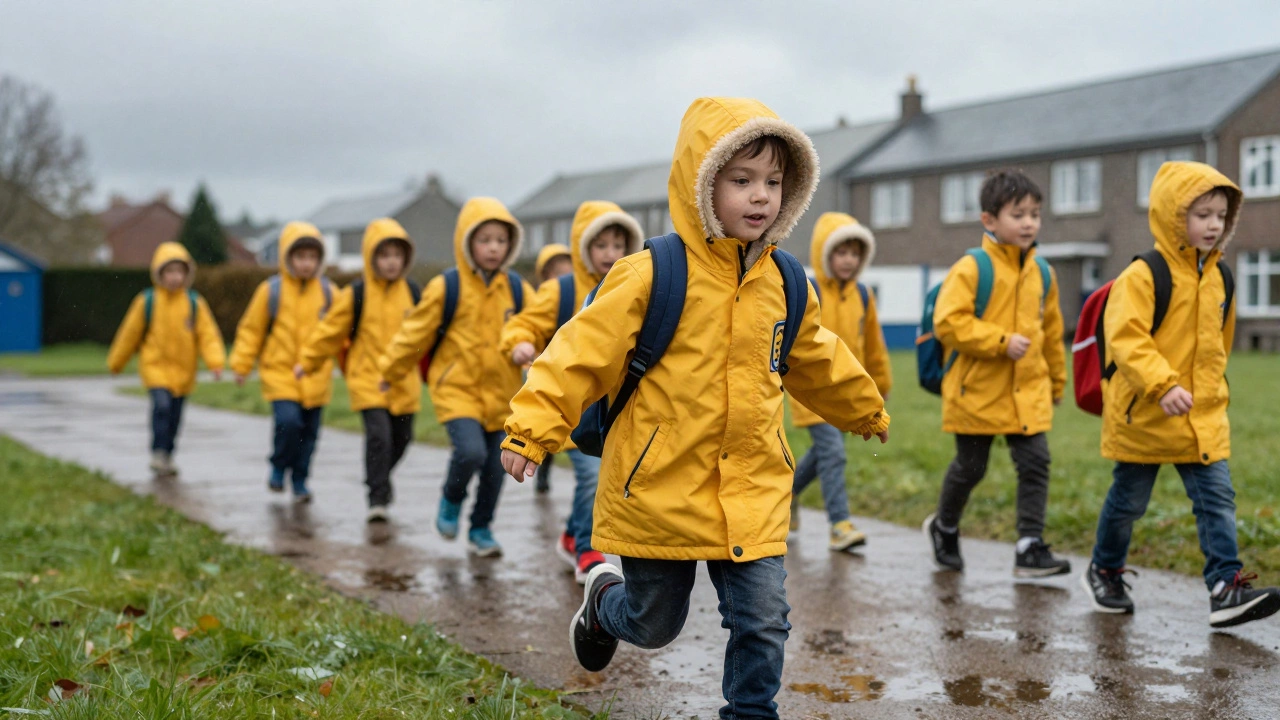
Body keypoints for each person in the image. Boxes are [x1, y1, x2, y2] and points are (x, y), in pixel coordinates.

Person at [500, 97, 889, 718]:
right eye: (741, 180)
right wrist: (531, 429)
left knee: (764, 619)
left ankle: (751, 713)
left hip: (752, 484)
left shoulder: (787, 280)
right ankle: (603, 600)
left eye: (772, 182)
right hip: (662, 486)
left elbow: (815, 355)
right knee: (653, 625)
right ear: (702, 183)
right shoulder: (651, 273)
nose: (760, 196)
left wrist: (863, 406)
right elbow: (578, 352)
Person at [1082, 161, 1280, 628]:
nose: (1213, 224)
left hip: (1201, 416)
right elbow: (1127, 339)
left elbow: (1219, 347)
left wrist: (1208, 394)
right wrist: (1163, 384)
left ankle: (1225, 586)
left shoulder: (1221, 277)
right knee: (1128, 502)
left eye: (1220, 215)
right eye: (1202, 214)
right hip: (1146, 413)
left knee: (1218, 500)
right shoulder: (1143, 275)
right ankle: (1105, 569)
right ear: (1174, 216)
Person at [923, 169, 1071, 579]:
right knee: (971, 467)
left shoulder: (1043, 272)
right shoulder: (973, 268)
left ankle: (1029, 547)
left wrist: (1056, 381)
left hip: (1027, 390)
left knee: (1036, 462)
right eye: (1018, 214)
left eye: (1035, 214)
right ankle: (945, 526)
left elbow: (1052, 333)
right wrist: (1000, 341)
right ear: (989, 220)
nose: (1029, 223)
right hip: (978, 390)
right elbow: (948, 322)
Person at [378, 198, 532, 557]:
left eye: (501, 240)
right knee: (470, 452)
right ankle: (451, 498)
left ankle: (481, 528)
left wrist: (529, 345)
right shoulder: (446, 286)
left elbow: (539, 325)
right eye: (485, 239)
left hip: (504, 394)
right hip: (456, 389)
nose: (494, 248)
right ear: (466, 242)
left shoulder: (519, 290)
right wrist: (390, 370)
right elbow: (413, 334)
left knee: (498, 466)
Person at [500, 200, 642, 581]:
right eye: (601, 246)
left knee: (605, 478)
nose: (611, 255)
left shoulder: (637, 287)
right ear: (582, 247)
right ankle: (587, 551)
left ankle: (570, 534)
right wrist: (520, 344)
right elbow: (523, 323)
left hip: (613, 407)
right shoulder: (559, 290)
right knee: (593, 476)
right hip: (569, 403)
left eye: (618, 245)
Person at [298, 218, 421, 523]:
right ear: (371, 258)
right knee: (379, 436)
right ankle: (377, 497)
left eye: (397, 255)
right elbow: (330, 332)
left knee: (402, 439)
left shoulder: (415, 293)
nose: (391, 263)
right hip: (366, 377)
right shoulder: (356, 294)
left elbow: (429, 335)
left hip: (404, 382)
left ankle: (379, 477)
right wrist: (308, 361)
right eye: (384, 255)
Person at [788, 212, 891, 551]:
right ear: (824, 253)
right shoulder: (810, 289)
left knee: (824, 454)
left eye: (854, 253)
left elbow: (873, 346)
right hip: (814, 392)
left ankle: (787, 494)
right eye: (841, 252)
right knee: (833, 453)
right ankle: (839, 524)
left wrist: (880, 387)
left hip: (848, 392)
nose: (848, 260)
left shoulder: (863, 295)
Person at [229, 222, 334, 502]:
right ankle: (278, 465)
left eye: (312, 258)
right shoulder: (271, 291)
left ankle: (300, 480)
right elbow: (251, 330)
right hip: (280, 373)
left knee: (309, 434)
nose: (306, 264)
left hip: (316, 376)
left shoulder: (328, 292)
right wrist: (241, 365)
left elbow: (340, 333)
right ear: (287, 257)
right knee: (288, 424)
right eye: (300, 257)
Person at [107, 241, 225, 476]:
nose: (174, 277)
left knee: (175, 416)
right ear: (159, 273)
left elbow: (208, 335)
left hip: (183, 373)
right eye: (169, 271)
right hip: (155, 368)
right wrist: (117, 361)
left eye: (179, 271)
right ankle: (158, 452)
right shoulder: (147, 302)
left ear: (187, 274)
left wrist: (216, 362)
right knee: (161, 406)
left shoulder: (194, 303)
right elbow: (129, 334)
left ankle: (168, 454)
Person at [530, 242, 573, 495]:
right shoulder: (547, 296)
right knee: (545, 427)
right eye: (556, 271)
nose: (562, 276)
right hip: (548, 371)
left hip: (570, 373)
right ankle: (542, 471)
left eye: (566, 269)